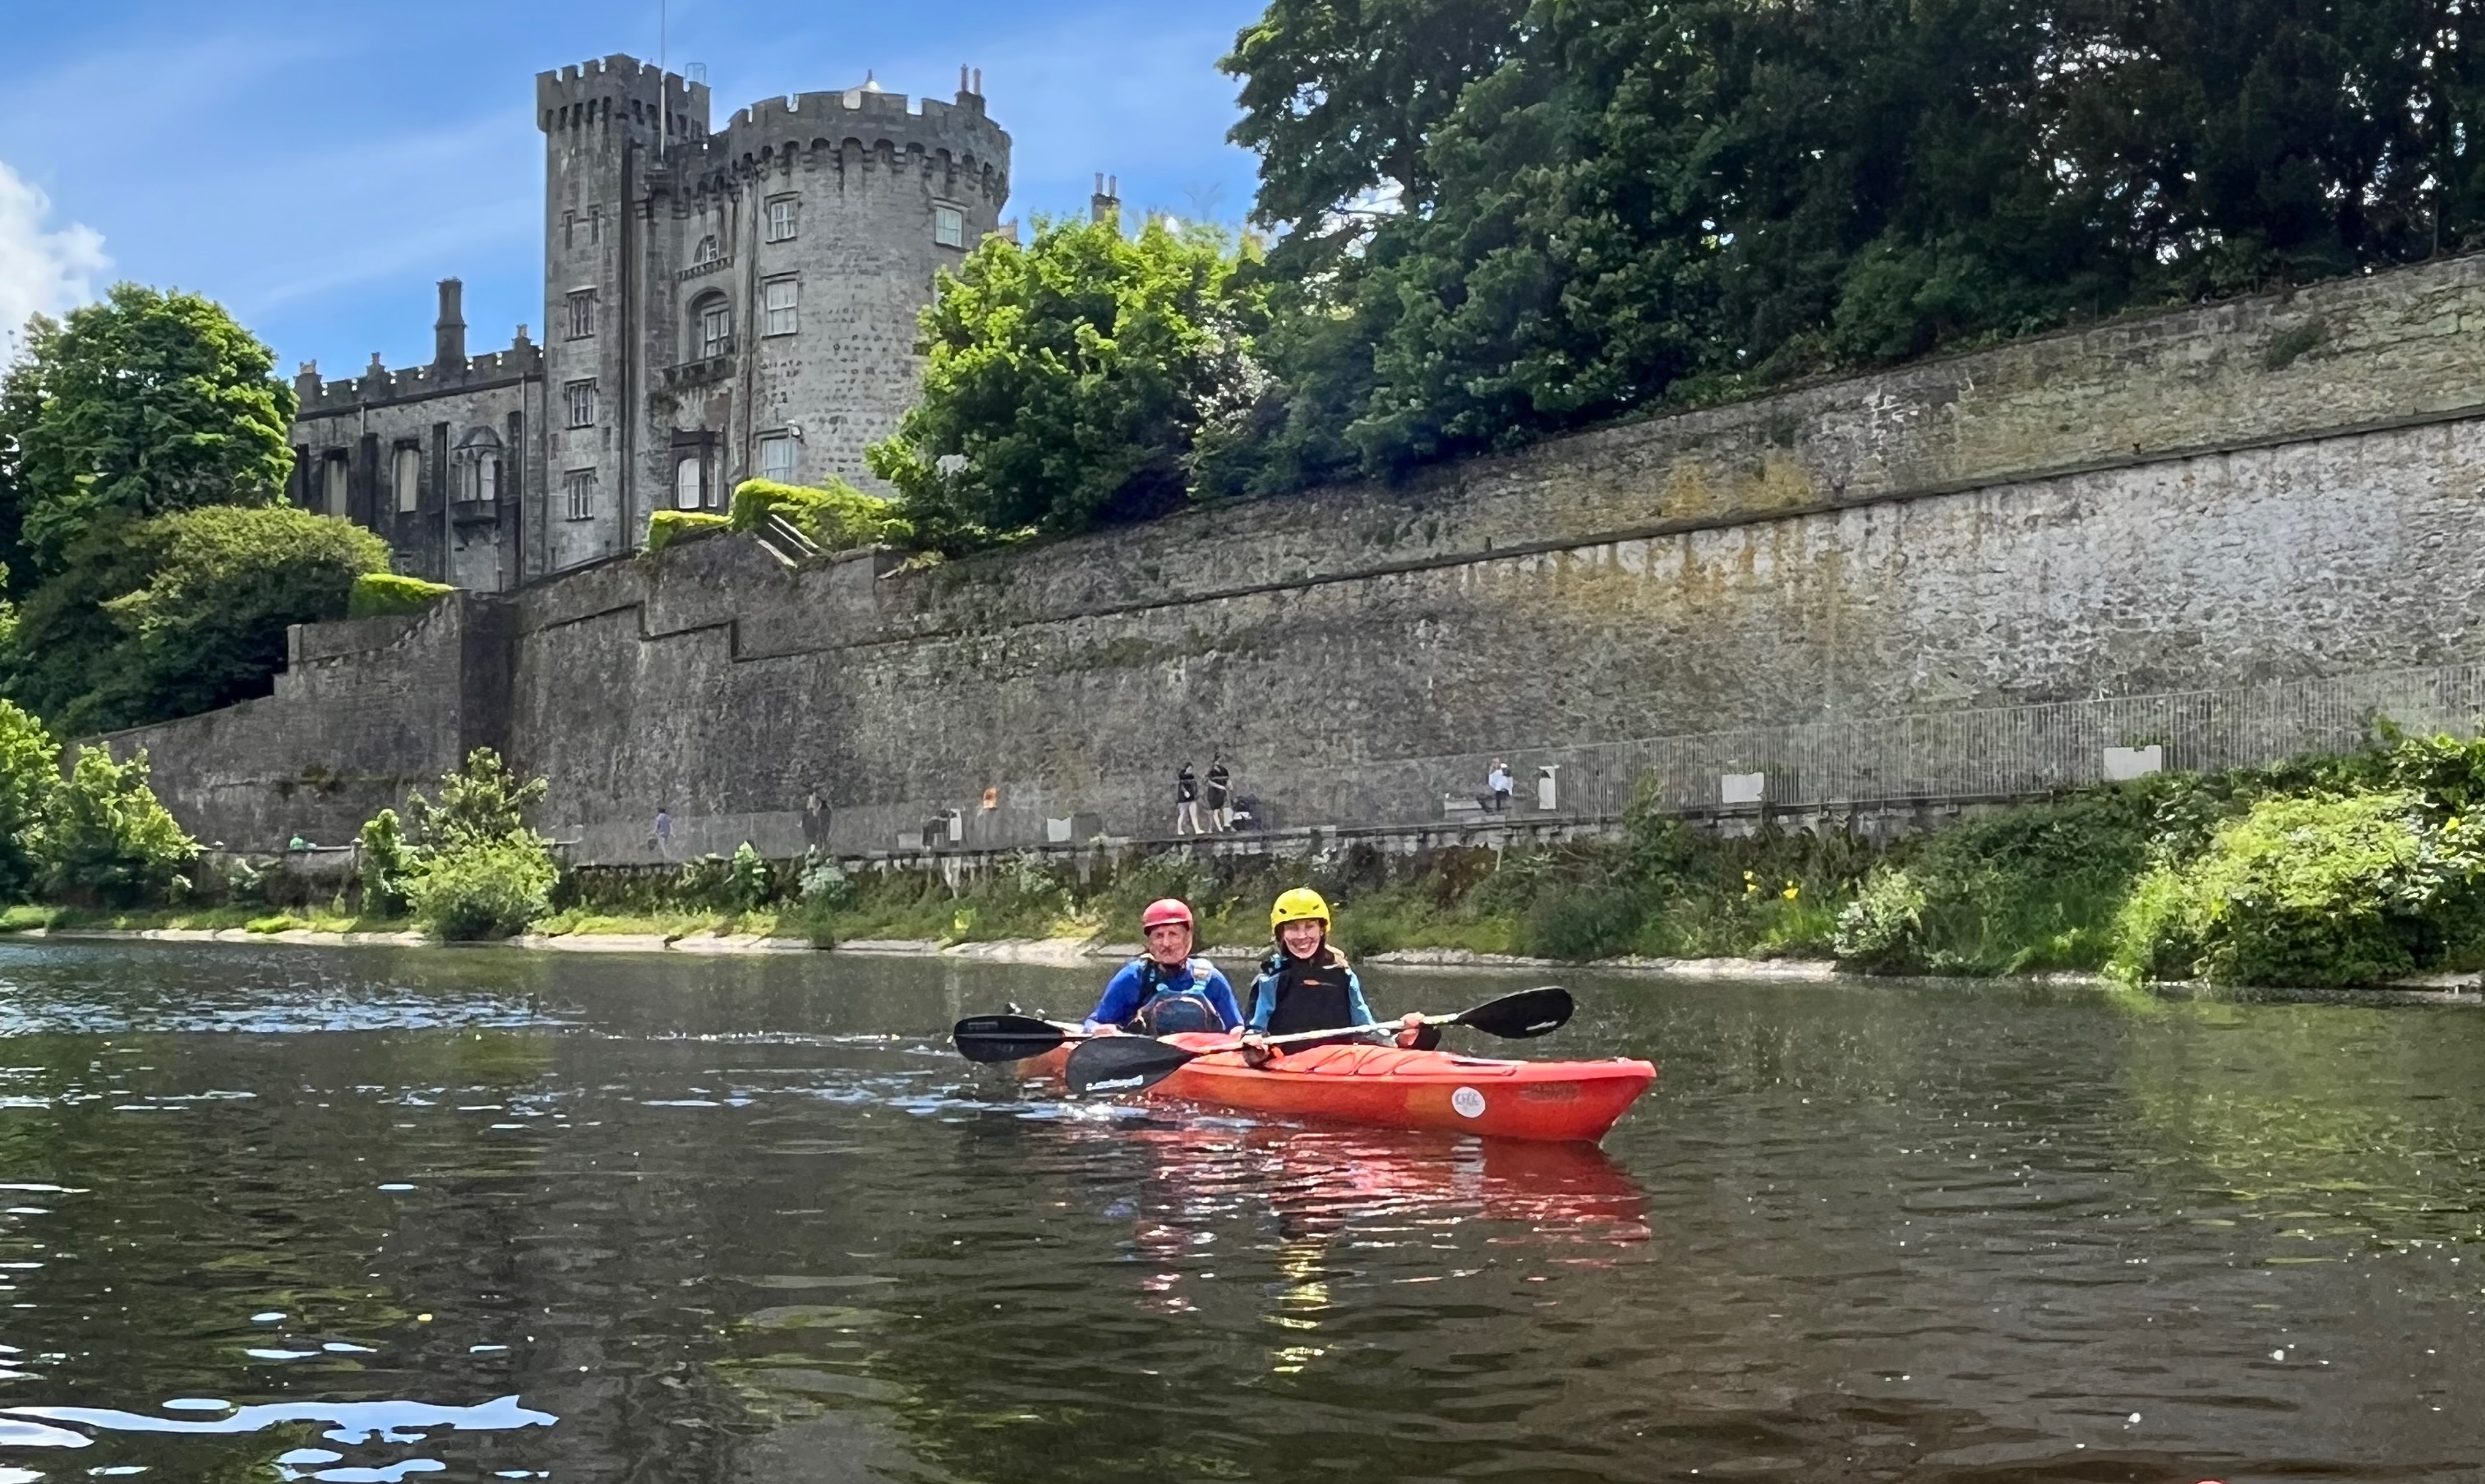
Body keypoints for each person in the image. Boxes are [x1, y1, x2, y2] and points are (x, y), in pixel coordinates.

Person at [1239, 888, 1427, 1063]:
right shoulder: (1272, 977)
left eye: (1309, 926)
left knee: (1422, 1034)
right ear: (1281, 934)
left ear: (1322, 930)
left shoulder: (1342, 973)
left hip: (1339, 1062)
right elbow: (1256, 1029)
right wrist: (1255, 1042)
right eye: (1293, 928)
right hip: (1286, 1062)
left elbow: (1365, 1028)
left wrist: (1398, 1036)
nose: (1302, 936)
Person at [1082, 898, 1242, 1035]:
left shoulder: (1211, 979)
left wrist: (1246, 1038)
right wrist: (1098, 1030)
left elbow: (1236, 1028)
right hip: (1144, 1060)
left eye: (1173, 934)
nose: (1166, 944)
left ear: (1188, 937)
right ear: (1149, 940)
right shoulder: (1133, 977)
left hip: (1200, 1060)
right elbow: (1093, 1023)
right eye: (1159, 936)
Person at [1205, 757, 1233, 832]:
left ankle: (1223, 825)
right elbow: (1209, 782)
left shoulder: (1224, 770)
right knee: (1215, 810)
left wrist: (1229, 784)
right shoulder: (1211, 772)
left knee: (1223, 810)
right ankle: (1218, 828)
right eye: (1218, 761)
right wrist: (1220, 787)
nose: (1220, 762)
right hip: (1213, 793)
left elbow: (1228, 779)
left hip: (1222, 794)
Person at [1175, 762, 1203, 835]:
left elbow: (1194, 786)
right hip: (1183, 800)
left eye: (1191, 769)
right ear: (1186, 769)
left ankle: (1197, 829)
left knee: (1194, 815)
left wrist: (1195, 793)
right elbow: (1182, 786)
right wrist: (1185, 792)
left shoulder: (1192, 777)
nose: (1191, 771)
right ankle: (1179, 830)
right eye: (1189, 769)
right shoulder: (1182, 777)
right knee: (1182, 815)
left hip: (1192, 798)